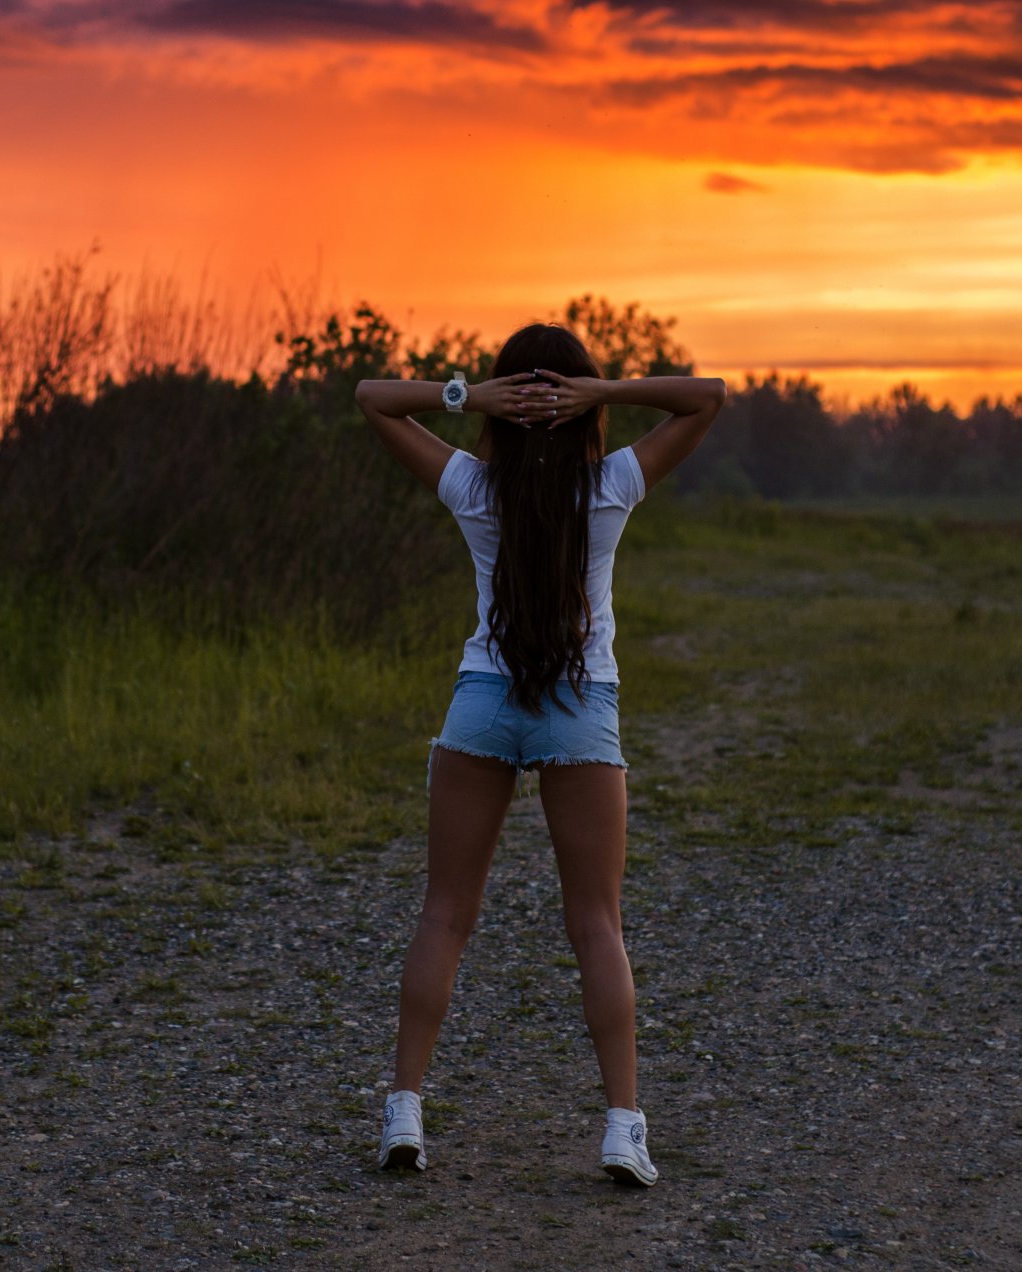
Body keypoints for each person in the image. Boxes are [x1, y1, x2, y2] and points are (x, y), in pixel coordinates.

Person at [354, 322, 726, 1186]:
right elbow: (707, 398)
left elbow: (373, 400)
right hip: (578, 707)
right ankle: (623, 1128)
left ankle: (403, 1111)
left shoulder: (472, 484)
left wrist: (466, 397)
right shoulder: (613, 483)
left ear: (505, 408)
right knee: (596, 923)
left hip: (481, 704)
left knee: (445, 912)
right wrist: (604, 395)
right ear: (577, 404)